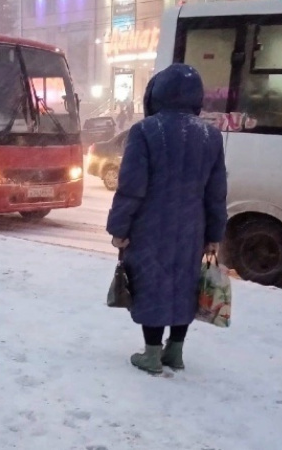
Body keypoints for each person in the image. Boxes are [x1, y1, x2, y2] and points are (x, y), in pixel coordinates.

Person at [106, 64, 228, 375]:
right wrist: (214, 233)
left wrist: (119, 228)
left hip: (149, 227)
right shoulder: (210, 136)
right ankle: (175, 352)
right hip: (192, 228)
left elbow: (131, 187)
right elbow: (216, 193)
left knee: (151, 284)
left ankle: (151, 354)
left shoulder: (146, 131)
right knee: (185, 286)